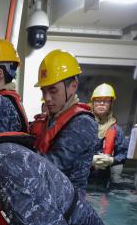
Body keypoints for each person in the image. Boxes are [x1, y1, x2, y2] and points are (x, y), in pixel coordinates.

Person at [29, 50, 98, 189]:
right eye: (44, 91)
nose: (47, 98)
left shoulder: (83, 123)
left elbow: (53, 165)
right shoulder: (49, 119)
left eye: (53, 90)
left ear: (73, 87)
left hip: (68, 206)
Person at [88, 83, 129, 187]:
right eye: (98, 100)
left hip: (103, 181)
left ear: (111, 104)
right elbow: (70, 153)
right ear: (93, 102)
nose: (102, 103)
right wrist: (89, 160)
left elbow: (124, 153)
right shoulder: (82, 125)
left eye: (106, 101)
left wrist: (112, 160)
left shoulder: (116, 130)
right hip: (81, 178)